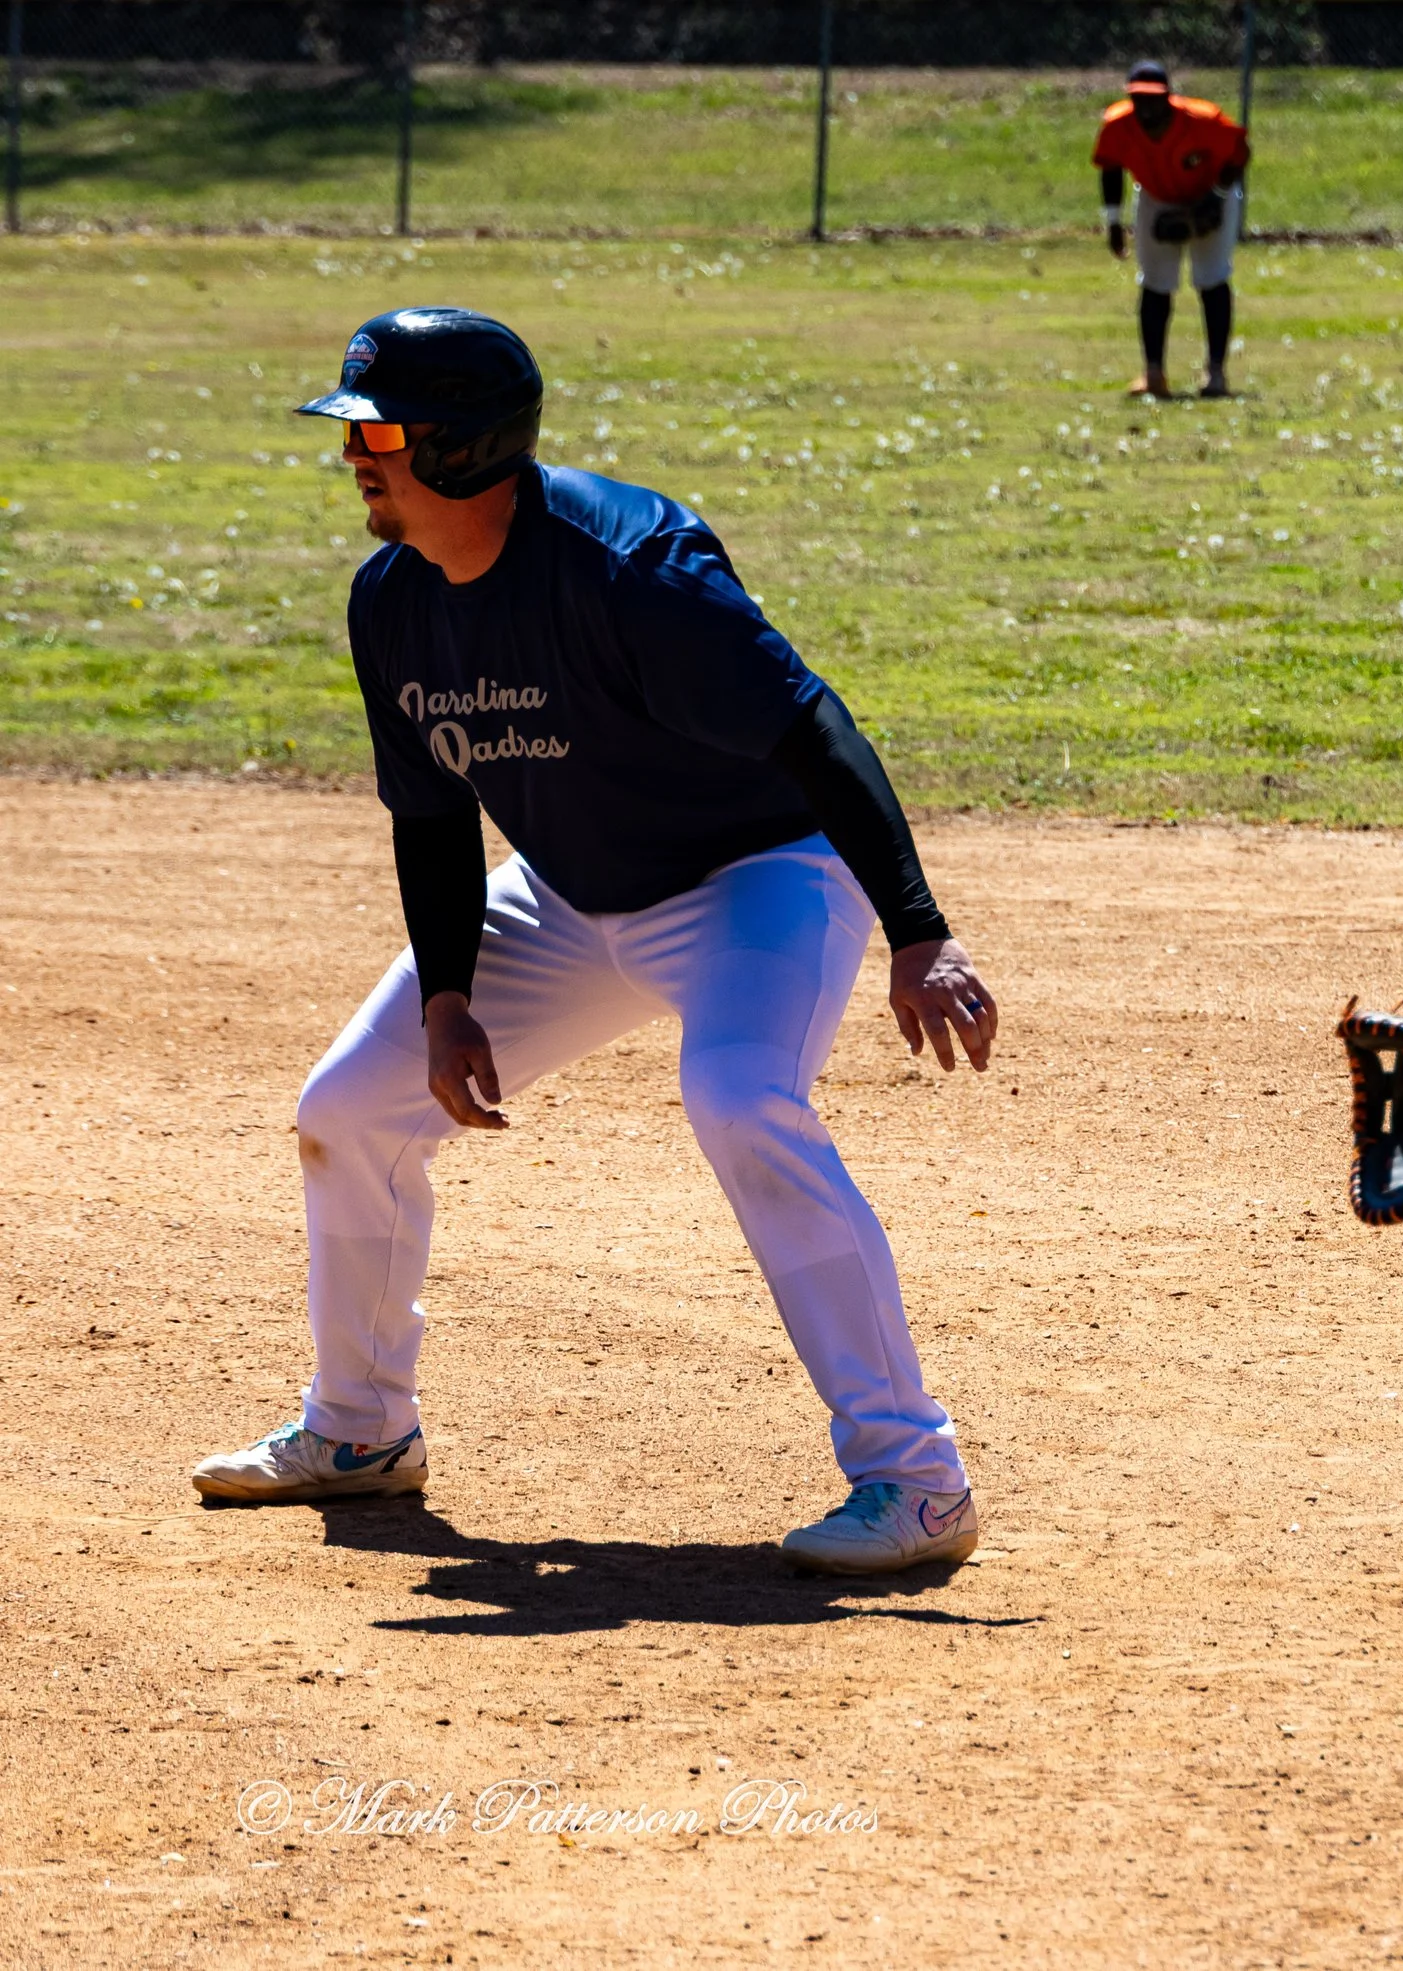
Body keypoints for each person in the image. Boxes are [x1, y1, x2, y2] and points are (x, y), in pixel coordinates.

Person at [189, 307, 997, 1578]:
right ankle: (359, 1431)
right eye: (351, 429)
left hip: (757, 881)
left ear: (459, 447)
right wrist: (449, 995)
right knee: (349, 1106)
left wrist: (917, 932)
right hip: (566, 895)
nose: (354, 455)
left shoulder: (629, 568)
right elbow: (432, 816)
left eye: (379, 431)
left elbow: (814, 730)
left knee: (739, 1099)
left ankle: (916, 1481)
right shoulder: (393, 601)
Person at [1092, 59, 1249, 399]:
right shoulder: (1118, 124)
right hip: (1156, 197)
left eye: (1153, 97)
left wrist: (1216, 199)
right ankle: (1153, 375)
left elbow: (1238, 153)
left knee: (1212, 277)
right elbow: (1110, 167)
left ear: (1168, 96)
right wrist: (1114, 223)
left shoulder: (1202, 120)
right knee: (1154, 283)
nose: (1146, 105)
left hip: (1212, 193)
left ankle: (1216, 375)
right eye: (1138, 97)